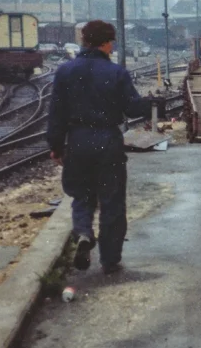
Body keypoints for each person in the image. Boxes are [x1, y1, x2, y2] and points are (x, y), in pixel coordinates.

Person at [46, 20, 155, 274]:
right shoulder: (116, 72)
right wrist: (148, 103)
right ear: (106, 43)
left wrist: (56, 146)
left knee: (81, 195)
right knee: (112, 200)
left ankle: (83, 232)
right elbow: (132, 108)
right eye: (111, 42)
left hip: (78, 140)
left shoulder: (65, 71)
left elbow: (56, 113)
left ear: (85, 41)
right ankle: (110, 257)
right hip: (108, 140)